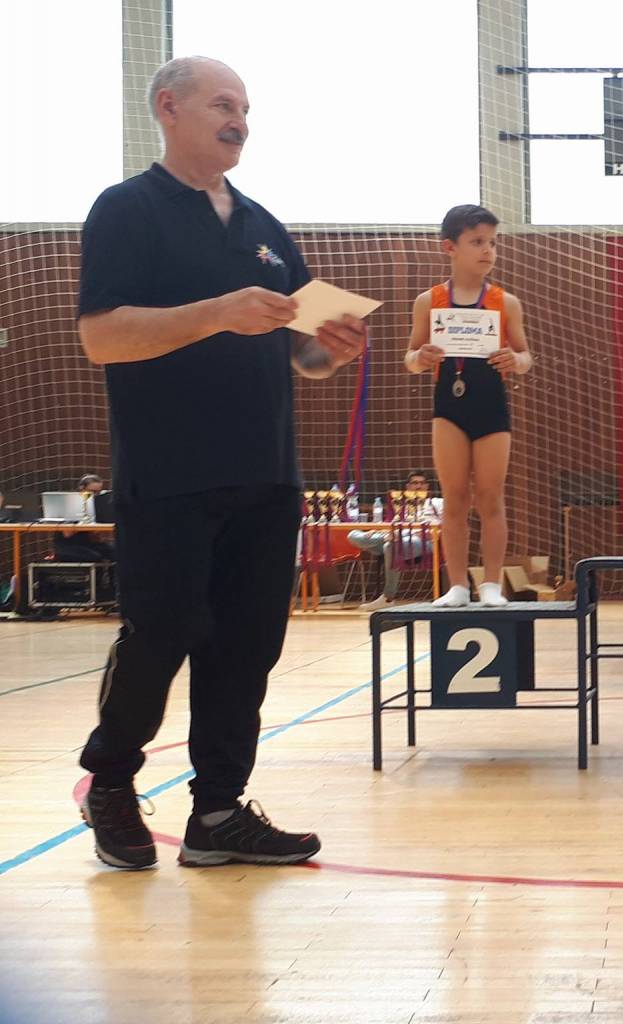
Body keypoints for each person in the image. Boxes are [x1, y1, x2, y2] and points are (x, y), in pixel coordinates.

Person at [74, 56, 368, 870]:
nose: (239, 120)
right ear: (168, 108)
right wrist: (216, 313)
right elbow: (101, 336)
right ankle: (110, 782)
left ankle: (217, 812)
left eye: (245, 108)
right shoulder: (126, 209)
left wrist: (332, 346)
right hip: (168, 472)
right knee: (163, 632)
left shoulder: (265, 227)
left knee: (245, 647)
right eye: (223, 104)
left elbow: (303, 353)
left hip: (266, 476)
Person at [403, 204, 532, 608]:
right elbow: (410, 358)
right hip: (449, 409)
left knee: (490, 498)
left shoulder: (505, 302)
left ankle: (491, 584)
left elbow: (526, 356)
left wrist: (515, 360)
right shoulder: (430, 301)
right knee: (454, 497)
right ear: (450, 247)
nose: (487, 250)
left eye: (492, 242)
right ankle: (457, 586)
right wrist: (420, 357)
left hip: (492, 409)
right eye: (477, 242)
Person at [348, 471, 443, 611]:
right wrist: (381, 531)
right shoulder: (399, 504)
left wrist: (404, 534)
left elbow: (444, 529)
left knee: (390, 546)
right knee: (353, 535)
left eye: (422, 483)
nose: (419, 486)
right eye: (415, 483)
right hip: (396, 540)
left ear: (427, 486)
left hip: (425, 543)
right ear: (408, 486)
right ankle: (388, 539)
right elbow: (389, 524)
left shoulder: (436, 503)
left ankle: (388, 598)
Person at [55, 474, 116, 563]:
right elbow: (67, 534)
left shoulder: (98, 505)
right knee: (95, 556)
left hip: (88, 544)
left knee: (116, 552)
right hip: (68, 545)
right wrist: (85, 522)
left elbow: (95, 538)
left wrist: (98, 532)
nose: (95, 495)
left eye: (98, 492)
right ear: (81, 488)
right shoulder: (69, 504)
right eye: (92, 492)